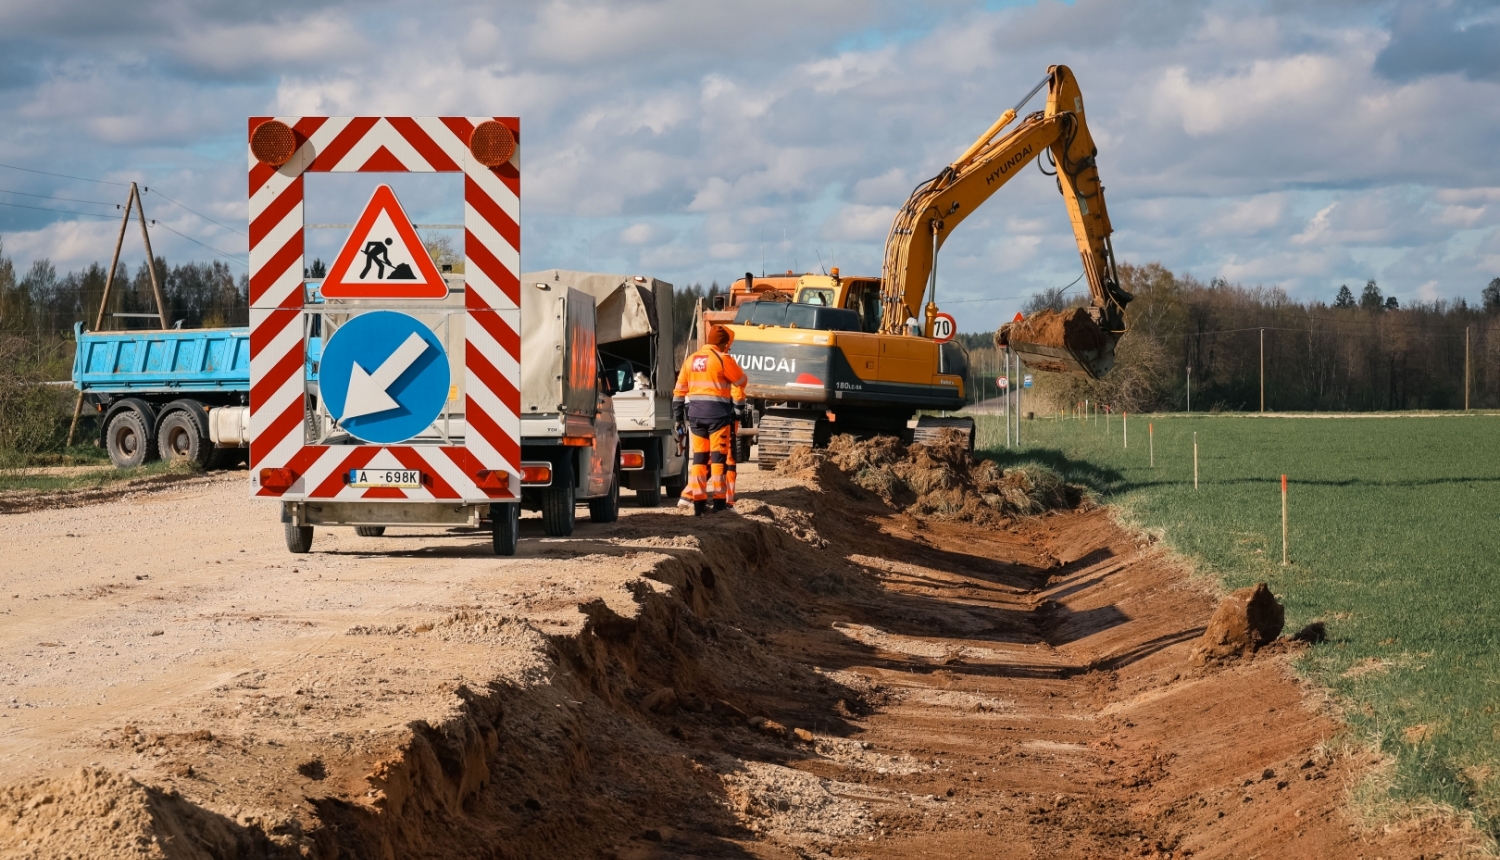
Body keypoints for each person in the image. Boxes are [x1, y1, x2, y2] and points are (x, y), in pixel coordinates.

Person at [672, 324, 749, 515]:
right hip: (718, 417)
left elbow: (679, 391)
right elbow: (741, 381)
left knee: (699, 460)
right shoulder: (722, 359)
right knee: (718, 460)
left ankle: (699, 505)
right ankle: (720, 504)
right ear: (723, 344)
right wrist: (739, 411)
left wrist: (678, 418)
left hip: (695, 417)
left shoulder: (691, 360)